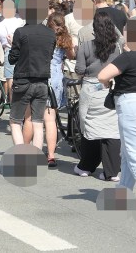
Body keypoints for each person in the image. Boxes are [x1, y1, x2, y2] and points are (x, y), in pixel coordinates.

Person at [97, 17, 136, 202]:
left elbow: (102, 75)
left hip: (132, 107)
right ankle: (123, 193)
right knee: (128, 153)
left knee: (135, 155)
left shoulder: (127, 57)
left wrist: (108, 83)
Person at [75, 10, 123, 180]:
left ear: (94, 28)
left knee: (88, 126)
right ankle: (112, 171)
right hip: (111, 87)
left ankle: (86, 166)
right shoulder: (117, 47)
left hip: (90, 88)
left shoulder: (85, 46)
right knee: (111, 129)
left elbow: (79, 69)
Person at [8, 0, 55, 152]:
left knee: (15, 121)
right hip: (42, 81)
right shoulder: (50, 33)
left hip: (23, 79)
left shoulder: (20, 32)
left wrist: (12, 45)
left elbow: (12, 59)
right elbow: (50, 56)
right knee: (38, 122)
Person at [46, 12, 75, 168]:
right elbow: (71, 56)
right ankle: (51, 155)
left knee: (35, 118)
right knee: (51, 118)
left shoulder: (45, 37)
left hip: (42, 75)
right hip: (56, 78)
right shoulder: (65, 39)